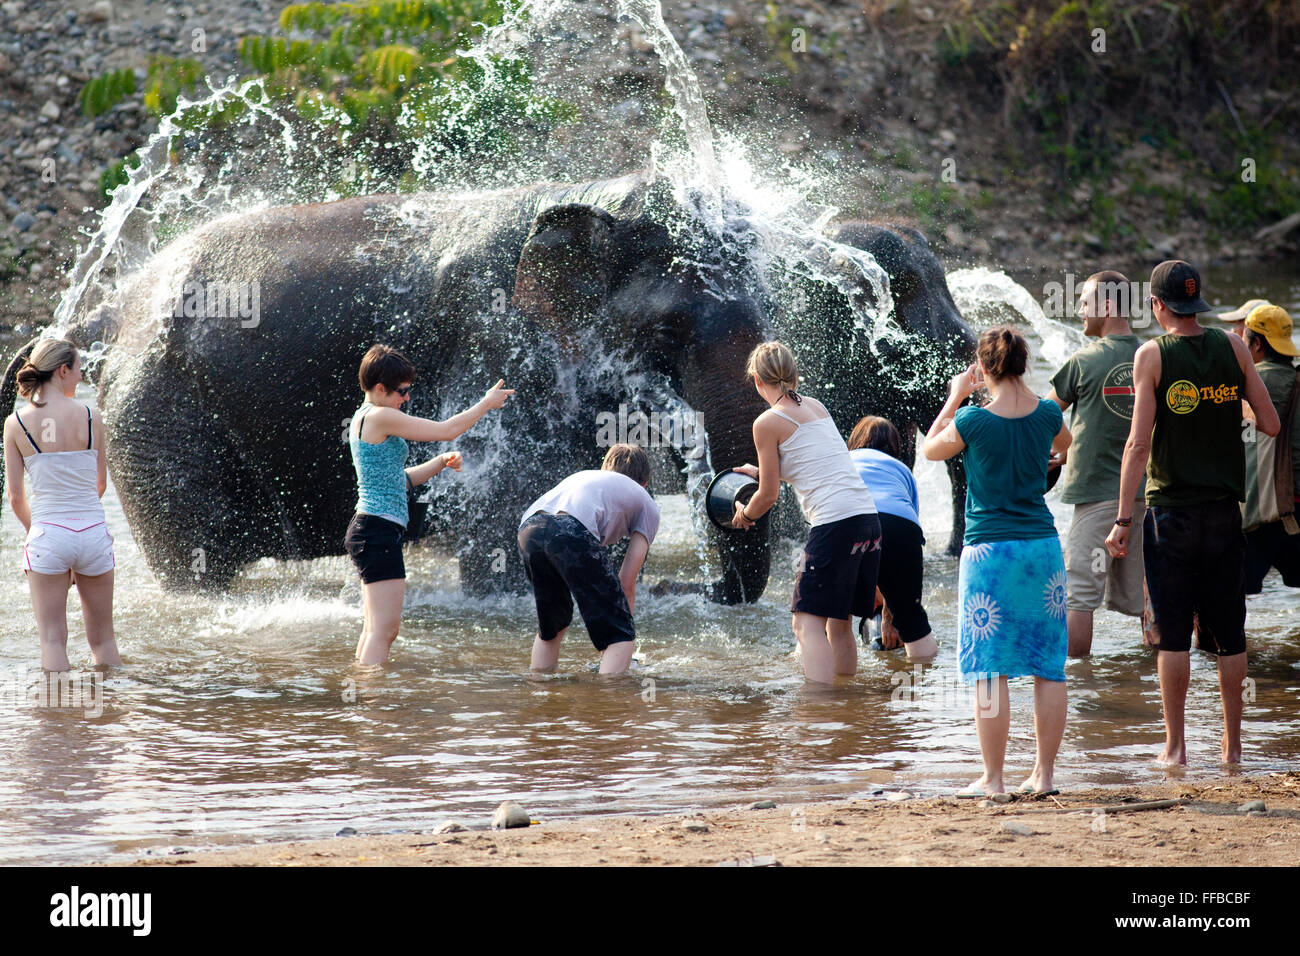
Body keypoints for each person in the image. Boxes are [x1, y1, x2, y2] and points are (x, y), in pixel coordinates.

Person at [1105, 260, 1280, 766]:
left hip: (1170, 517)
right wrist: (1222, 406)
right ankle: (1232, 745)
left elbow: (1138, 443)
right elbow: (1267, 422)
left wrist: (1121, 520)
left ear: (1158, 306)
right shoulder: (1233, 345)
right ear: (1196, 301)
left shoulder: (1151, 355)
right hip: (1226, 513)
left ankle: (1176, 748)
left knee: (1173, 635)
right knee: (1230, 633)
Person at [923, 326, 1072, 797]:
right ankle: (1044, 776)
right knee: (1049, 665)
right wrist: (1041, 457)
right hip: (1042, 550)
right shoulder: (1048, 413)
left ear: (983, 369)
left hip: (989, 553)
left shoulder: (972, 421)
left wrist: (955, 395)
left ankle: (993, 779)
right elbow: (1064, 445)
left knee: (991, 669)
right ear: (1023, 365)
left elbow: (929, 449)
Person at [346, 344, 513, 665]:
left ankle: (365, 696)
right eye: (402, 391)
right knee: (385, 631)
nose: (406, 398)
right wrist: (486, 404)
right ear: (380, 389)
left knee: (374, 630)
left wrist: (438, 463)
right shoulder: (381, 416)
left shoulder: (363, 416)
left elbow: (397, 480)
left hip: (371, 529)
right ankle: (371, 699)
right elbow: (446, 430)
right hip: (377, 531)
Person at [730, 342, 881, 684]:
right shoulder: (816, 406)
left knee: (806, 624)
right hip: (867, 521)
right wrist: (763, 471)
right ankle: (844, 707)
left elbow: (768, 496)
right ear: (795, 374)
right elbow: (818, 464)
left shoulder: (766, 423)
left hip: (835, 525)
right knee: (838, 624)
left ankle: (819, 709)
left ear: (757, 380)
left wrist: (746, 515)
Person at [3, 339, 121, 672]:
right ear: (63, 369)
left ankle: (56, 720)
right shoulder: (89, 415)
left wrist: (44, 533)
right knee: (104, 641)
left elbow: (15, 497)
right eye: (79, 369)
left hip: (47, 537)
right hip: (94, 534)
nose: (81, 377)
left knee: (53, 639)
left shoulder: (16, 423)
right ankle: (111, 712)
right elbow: (100, 484)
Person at [1047, 270, 1146, 657]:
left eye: (1085, 302)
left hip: (1098, 497)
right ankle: (1151, 685)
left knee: (1079, 594)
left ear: (1106, 305)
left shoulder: (1084, 360)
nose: (1079, 310)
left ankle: (1078, 685)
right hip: (1147, 498)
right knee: (1149, 592)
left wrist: (1067, 447)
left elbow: (1044, 415)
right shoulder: (1152, 354)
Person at [519, 443, 661, 676]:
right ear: (645, 484)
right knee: (620, 635)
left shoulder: (589, 479)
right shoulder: (647, 503)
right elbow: (626, 583)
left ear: (605, 469)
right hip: (571, 529)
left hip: (529, 529)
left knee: (552, 626)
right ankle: (607, 702)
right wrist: (619, 629)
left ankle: (540, 690)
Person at [846, 415, 937, 660]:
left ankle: (828, 683)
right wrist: (890, 617)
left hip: (851, 518)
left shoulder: (844, 461)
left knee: (828, 610)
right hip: (901, 526)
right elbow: (904, 535)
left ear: (854, 440)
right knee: (911, 618)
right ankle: (921, 683)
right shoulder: (902, 471)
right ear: (896, 446)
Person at [1240, 304, 1300, 592]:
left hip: (1261, 514)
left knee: (1230, 596)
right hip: (1298, 512)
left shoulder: (1250, 384)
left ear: (1257, 343)